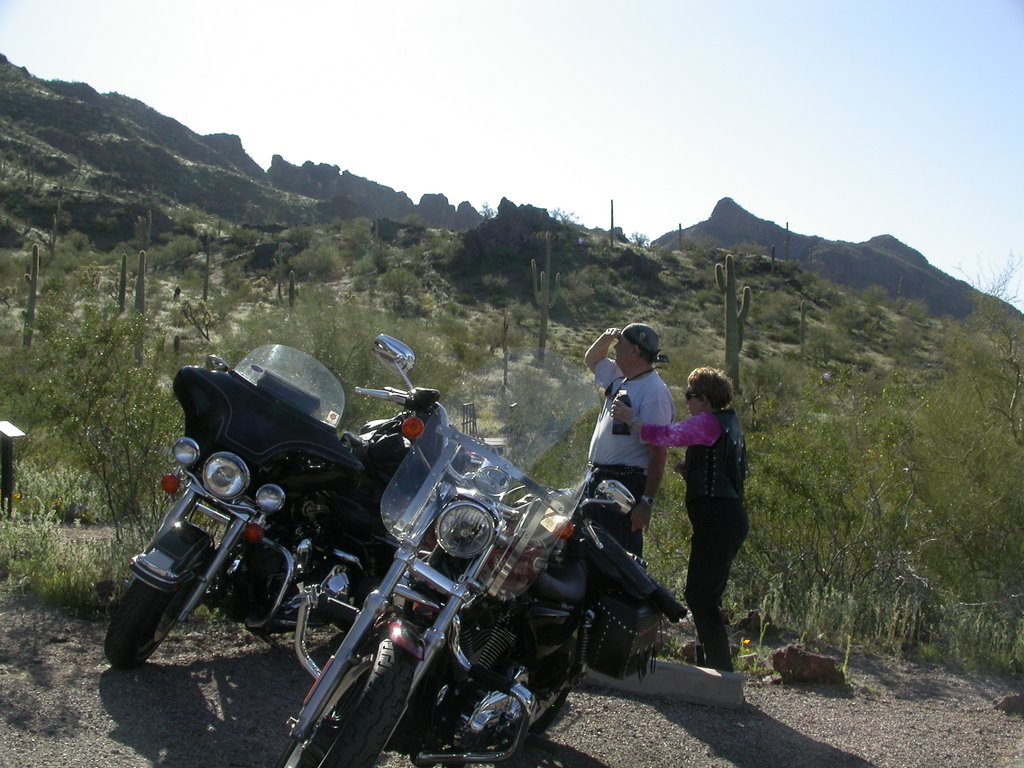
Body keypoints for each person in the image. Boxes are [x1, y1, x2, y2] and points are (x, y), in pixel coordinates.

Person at [612, 366, 748, 672]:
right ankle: (711, 668)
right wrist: (694, 468)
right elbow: (728, 468)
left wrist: (630, 420)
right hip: (726, 518)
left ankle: (720, 672)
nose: (687, 402)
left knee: (700, 596)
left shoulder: (709, 422)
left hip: (717, 518)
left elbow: (666, 435)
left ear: (705, 399)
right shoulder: (729, 423)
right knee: (705, 595)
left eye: (690, 396)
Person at [584, 323, 675, 557]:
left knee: (618, 558)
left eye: (620, 343)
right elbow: (591, 359)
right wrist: (606, 336)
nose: (615, 347)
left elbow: (659, 452)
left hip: (624, 484)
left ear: (635, 350)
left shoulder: (654, 392)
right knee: (591, 554)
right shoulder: (621, 376)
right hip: (599, 479)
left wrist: (646, 502)